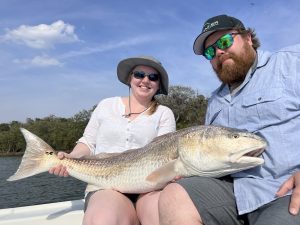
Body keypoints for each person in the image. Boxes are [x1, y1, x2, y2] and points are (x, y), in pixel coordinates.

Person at [157, 15, 300, 225]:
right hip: (231, 191)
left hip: (285, 190)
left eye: (224, 41)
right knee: (174, 197)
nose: (218, 52)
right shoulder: (215, 100)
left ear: (248, 38)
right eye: (209, 51)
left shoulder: (291, 62)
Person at [49, 55, 176, 225]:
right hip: (104, 184)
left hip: (150, 188)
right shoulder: (106, 105)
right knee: (104, 219)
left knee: (164, 217)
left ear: (158, 84)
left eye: (153, 77)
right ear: (130, 78)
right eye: (139, 74)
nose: (145, 80)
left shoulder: (164, 113)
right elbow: (88, 142)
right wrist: (69, 157)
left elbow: (166, 153)